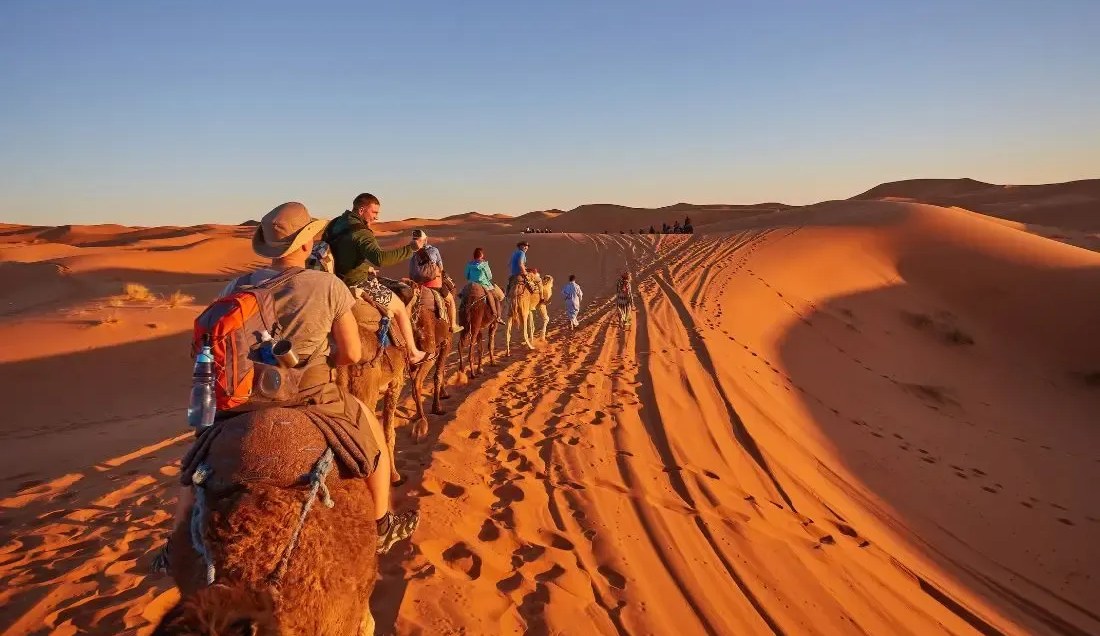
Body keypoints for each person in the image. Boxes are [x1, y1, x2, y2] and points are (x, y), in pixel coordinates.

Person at [164, 203, 419, 565]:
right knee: (370, 436)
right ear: (306, 243)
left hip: (243, 397)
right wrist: (328, 362)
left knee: (199, 461)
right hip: (309, 393)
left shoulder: (236, 285)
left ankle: (175, 544)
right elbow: (349, 352)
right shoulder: (328, 285)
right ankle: (382, 524)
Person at [323, 193, 428, 365]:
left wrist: (363, 266)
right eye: (374, 212)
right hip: (357, 282)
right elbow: (380, 259)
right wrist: (412, 248)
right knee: (400, 307)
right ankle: (413, 352)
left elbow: (338, 252)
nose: (376, 217)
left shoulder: (335, 223)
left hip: (336, 280)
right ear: (362, 209)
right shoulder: (362, 232)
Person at [409, 229, 461, 333]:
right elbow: (441, 268)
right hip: (435, 285)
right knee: (450, 301)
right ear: (425, 240)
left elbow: (411, 274)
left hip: (420, 287)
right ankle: (453, 325)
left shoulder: (412, 255)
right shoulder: (434, 250)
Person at [464, 247, 505, 324]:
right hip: (484, 284)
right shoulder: (484, 264)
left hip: (472, 284)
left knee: (463, 296)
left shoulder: (469, 264)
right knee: (496, 298)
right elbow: (490, 276)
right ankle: (497, 316)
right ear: (482, 255)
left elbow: (466, 275)